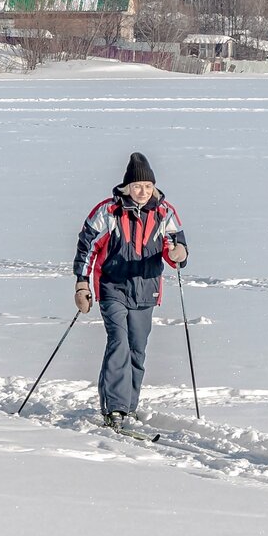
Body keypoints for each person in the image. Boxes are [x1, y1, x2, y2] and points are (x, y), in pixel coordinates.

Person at [72, 152, 188, 430]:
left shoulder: (165, 212)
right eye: (137, 186)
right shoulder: (108, 211)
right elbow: (87, 247)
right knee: (119, 343)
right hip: (112, 287)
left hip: (147, 290)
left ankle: (129, 408)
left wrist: (179, 254)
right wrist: (82, 284)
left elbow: (176, 247)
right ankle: (114, 408)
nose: (143, 192)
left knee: (137, 349)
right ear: (127, 187)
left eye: (147, 186)